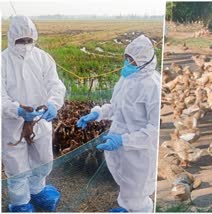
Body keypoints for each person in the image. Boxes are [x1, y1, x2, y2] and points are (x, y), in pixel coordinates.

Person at [77, 35, 160, 212]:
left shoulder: (153, 86)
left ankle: (139, 210)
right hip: (119, 142)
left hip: (139, 150)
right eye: (126, 58)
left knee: (136, 190)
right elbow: (116, 107)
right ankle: (125, 207)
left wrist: (124, 140)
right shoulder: (127, 79)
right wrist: (97, 113)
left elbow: (155, 129)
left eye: (132, 60)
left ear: (144, 62)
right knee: (125, 182)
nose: (127, 63)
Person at [2, 16, 66, 212]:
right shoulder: (2, 61)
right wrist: (16, 110)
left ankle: (37, 190)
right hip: (12, 124)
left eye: (29, 40)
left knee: (43, 160)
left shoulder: (43, 58)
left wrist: (53, 104)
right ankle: (20, 202)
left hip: (40, 120)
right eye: (21, 41)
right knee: (17, 167)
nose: (25, 45)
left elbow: (55, 85)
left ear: (34, 38)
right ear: (12, 38)